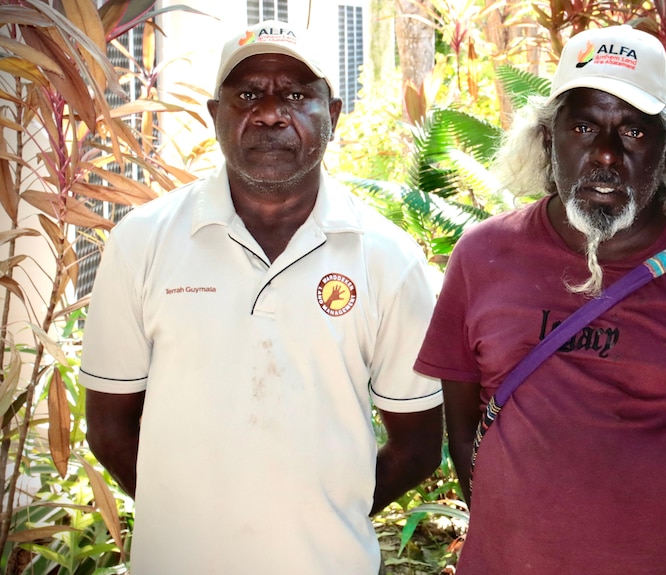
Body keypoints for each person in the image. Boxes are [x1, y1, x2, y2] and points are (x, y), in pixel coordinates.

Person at [414, 25, 666, 574]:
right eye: (583, 126)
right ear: (550, 142)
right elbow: (464, 427)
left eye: (633, 133)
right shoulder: (482, 256)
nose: (605, 154)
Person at [80, 20, 443, 575]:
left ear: (335, 114)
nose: (271, 112)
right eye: (247, 94)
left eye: (296, 95)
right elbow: (108, 429)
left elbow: (417, 446)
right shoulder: (142, 242)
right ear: (214, 115)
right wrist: (187, 523)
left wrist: (325, 519)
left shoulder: (388, 259)